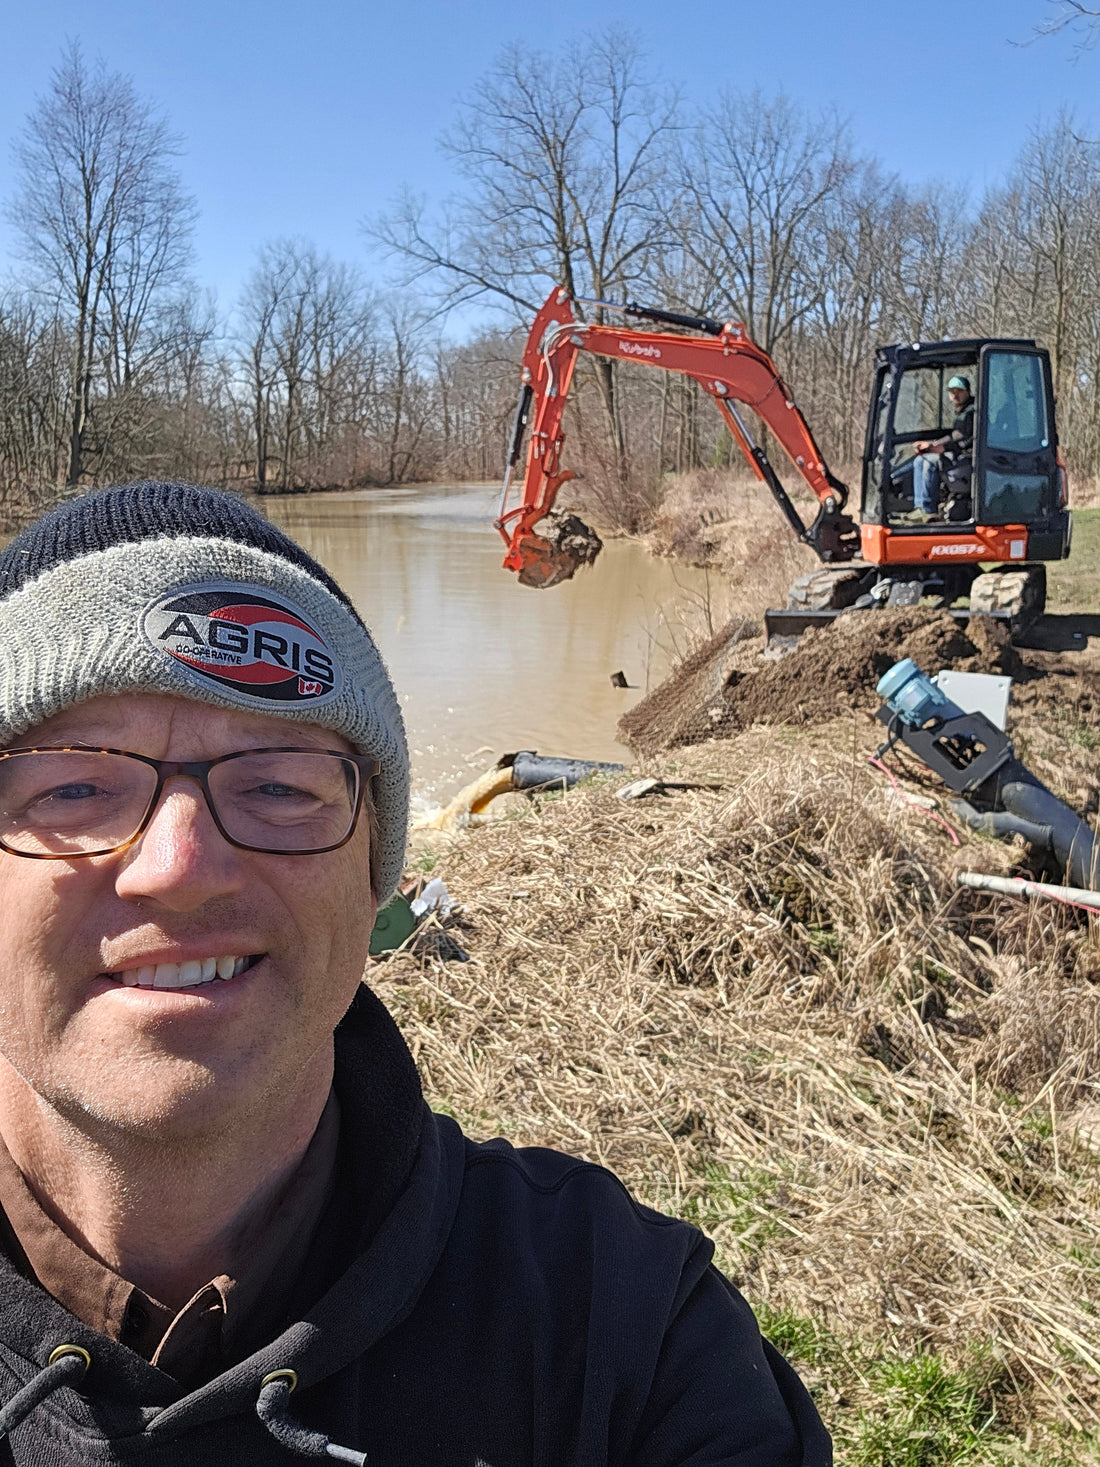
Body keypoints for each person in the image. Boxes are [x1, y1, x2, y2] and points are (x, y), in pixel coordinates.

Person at [0, 480, 830, 1465]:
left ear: (373, 880)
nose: (180, 869)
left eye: (279, 785)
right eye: (76, 787)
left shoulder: (624, 1328)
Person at [909, 375, 976, 519]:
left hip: (969, 456)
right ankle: (920, 507)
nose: (955, 394)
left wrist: (941, 447)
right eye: (952, 391)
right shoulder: (961, 411)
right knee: (919, 461)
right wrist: (933, 445)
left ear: (968, 391)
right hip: (958, 452)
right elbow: (953, 435)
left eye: (959, 391)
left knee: (930, 462)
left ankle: (929, 510)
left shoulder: (971, 412)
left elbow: (962, 437)